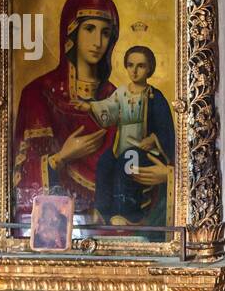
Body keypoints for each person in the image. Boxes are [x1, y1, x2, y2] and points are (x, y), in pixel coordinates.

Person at [13, 0, 136, 220]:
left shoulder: (117, 98)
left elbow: (129, 172)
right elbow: (20, 180)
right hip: (53, 223)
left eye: (105, 32)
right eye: (89, 28)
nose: (98, 41)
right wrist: (62, 157)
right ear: (70, 32)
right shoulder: (38, 94)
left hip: (111, 226)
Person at [72, 45, 175, 229]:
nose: (134, 71)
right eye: (130, 65)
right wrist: (90, 107)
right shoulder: (121, 93)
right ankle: (103, 211)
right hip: (121, 145)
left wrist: (152, 139)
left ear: (149, 68)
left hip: (146, 150)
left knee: (126, 163)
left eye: (141, 66)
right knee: (105, 162)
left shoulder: (154, 96)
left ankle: (127, 213)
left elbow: (164, 127)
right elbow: (109, 108)